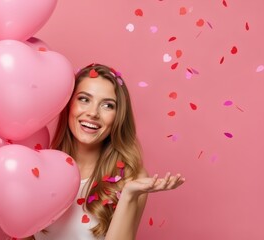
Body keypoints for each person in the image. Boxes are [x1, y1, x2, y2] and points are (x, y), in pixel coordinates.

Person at [27, 63, 185, 240]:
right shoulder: (39, 168)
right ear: (68, 104)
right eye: (84, 99)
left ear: (118, 116)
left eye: (107, 105)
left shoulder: (132, 178)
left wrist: (128, 195)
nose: (93, 113)